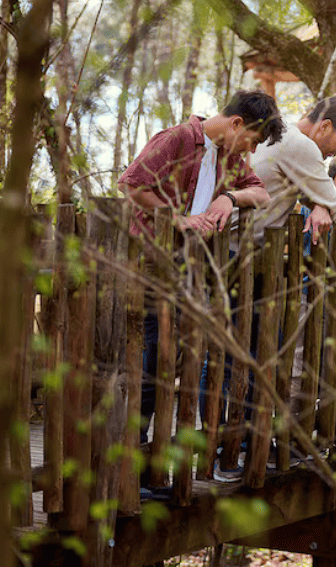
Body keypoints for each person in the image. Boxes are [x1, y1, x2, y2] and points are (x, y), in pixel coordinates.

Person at [118, 89, 283, 446]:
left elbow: (261, 194)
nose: (252, 151)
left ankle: (152, 460)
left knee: (169, 368)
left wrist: (229, 197)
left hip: (187, 274)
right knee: (150, 366)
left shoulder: (227, 157)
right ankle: (133, 458)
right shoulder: (178, 139)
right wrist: (178, 220)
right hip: (151, 268)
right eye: (253, 141)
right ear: (236, 123)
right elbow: (132, 185)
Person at [252, 95, 336, 294]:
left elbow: (308, 191)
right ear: (325, 126)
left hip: (242, 249)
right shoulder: (301, 146)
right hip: (243, 254)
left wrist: (319, 205)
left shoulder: (283, 133)